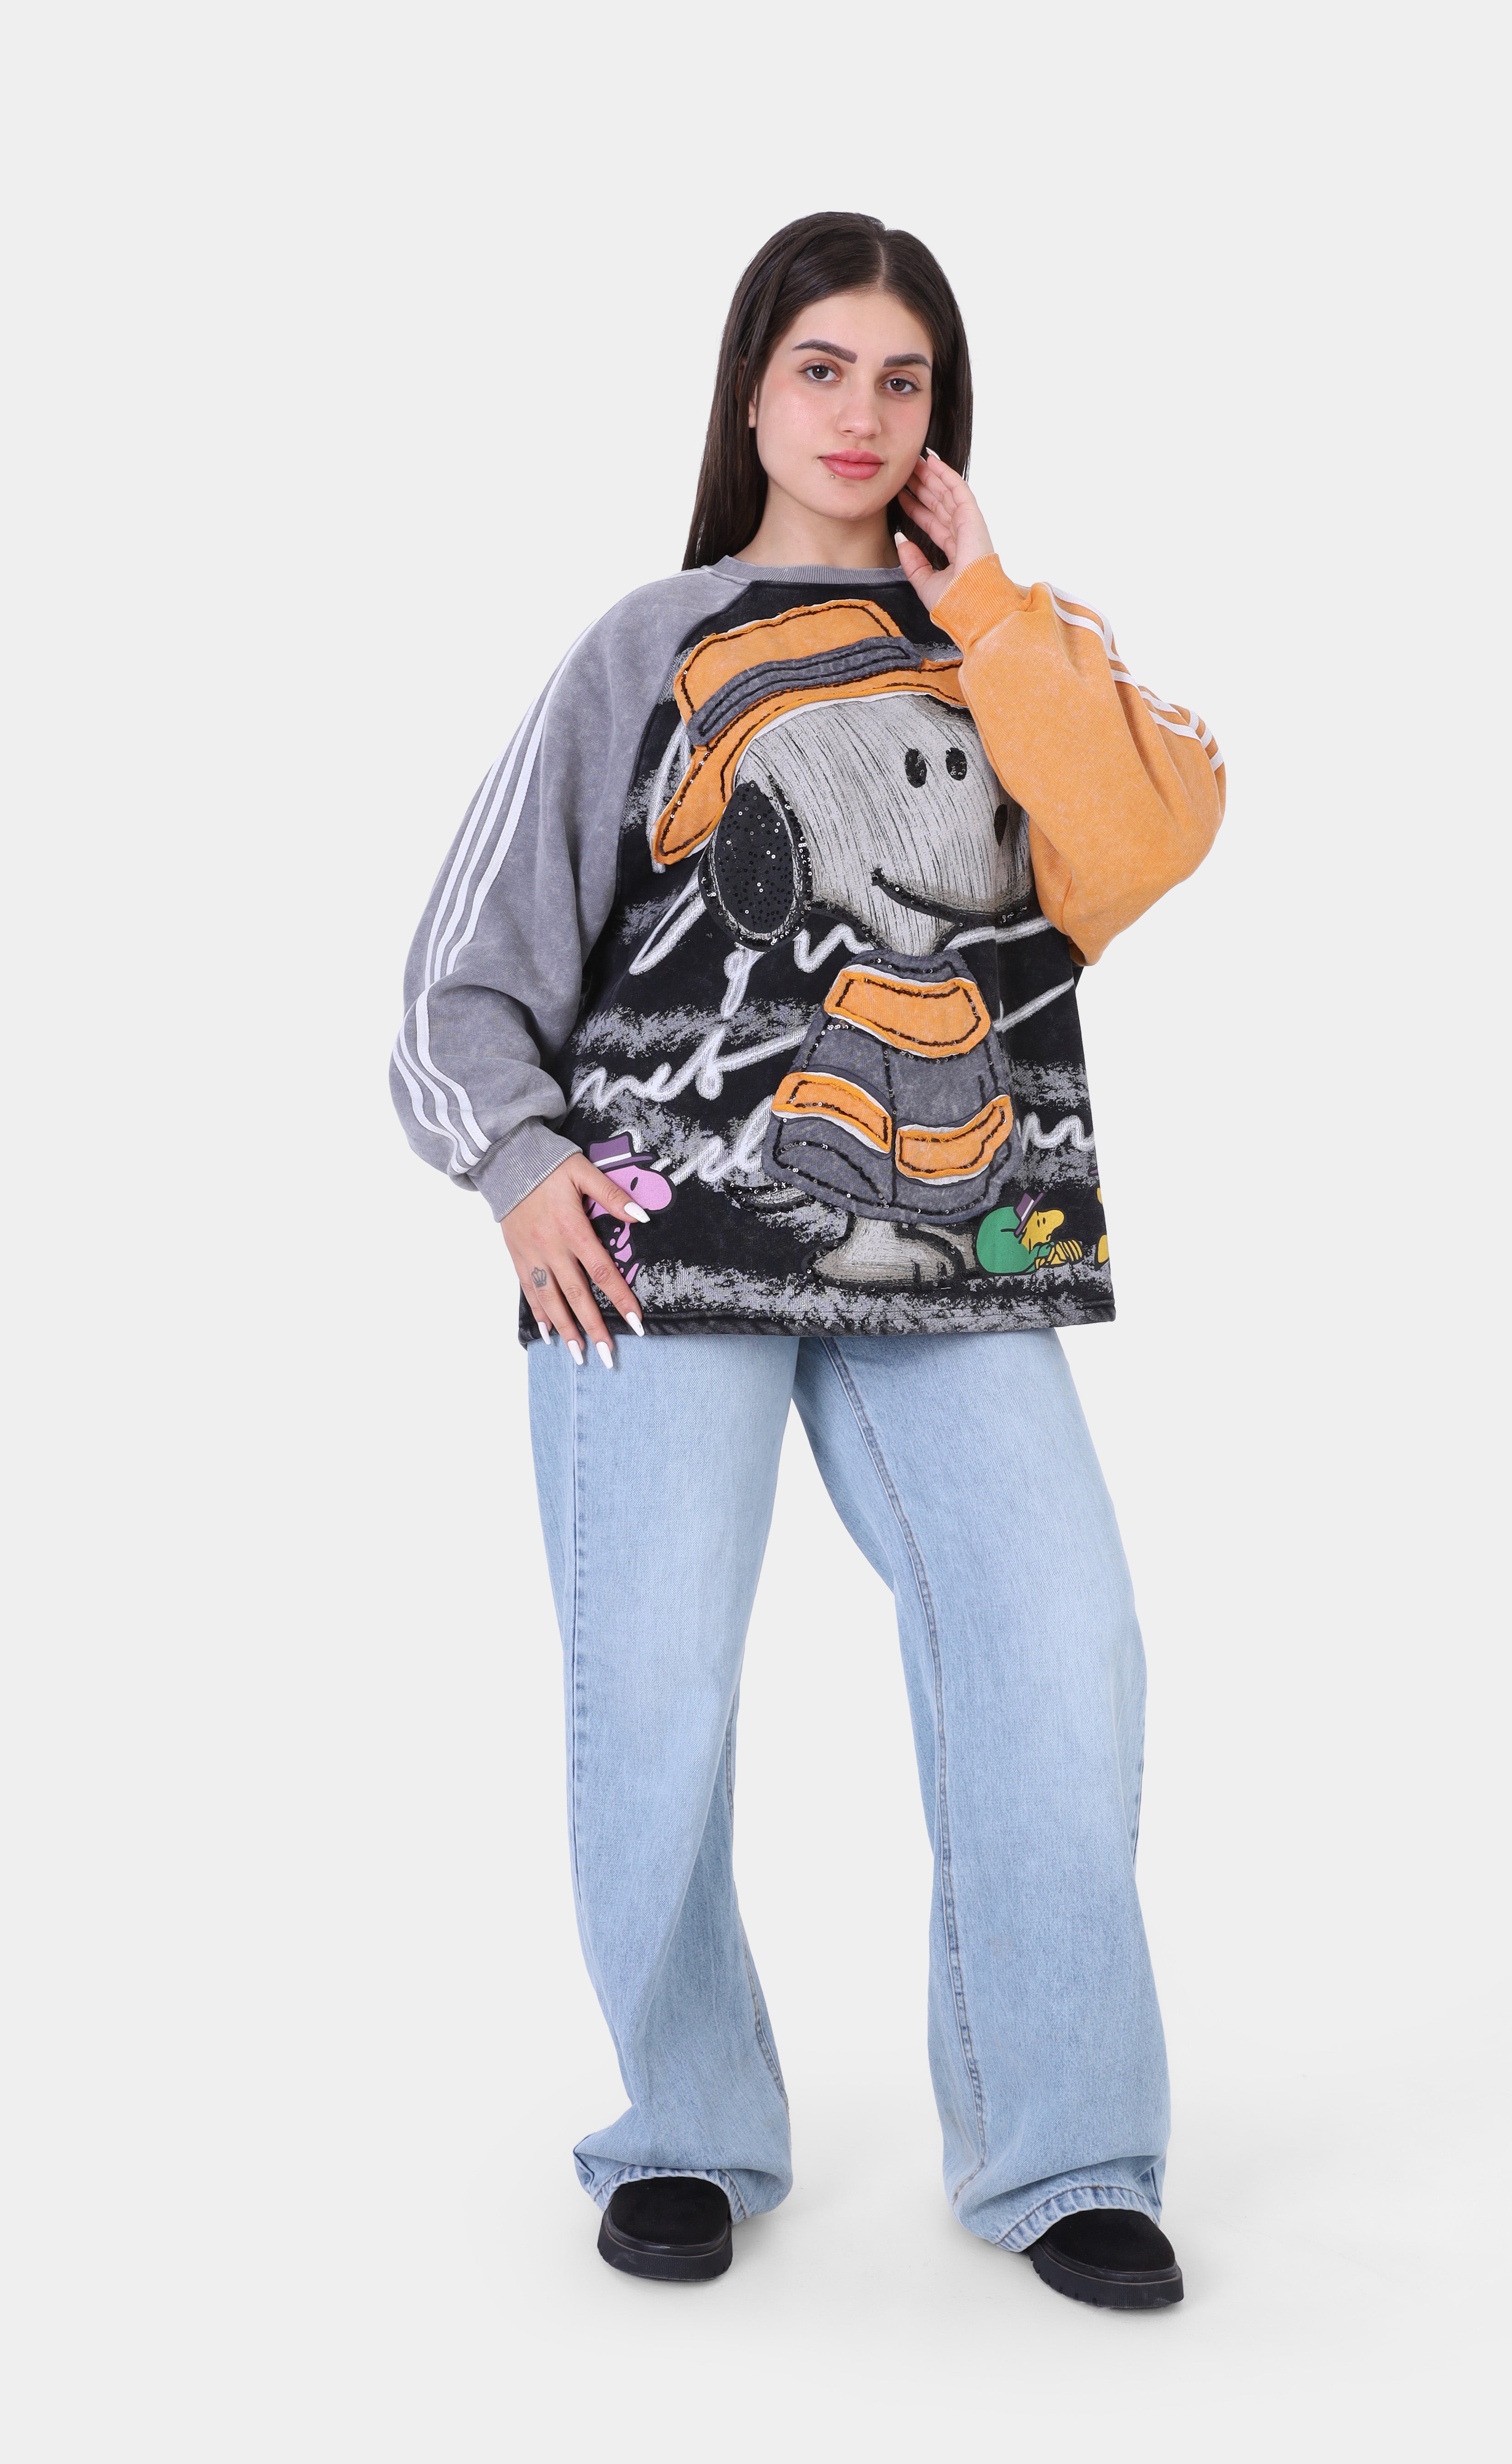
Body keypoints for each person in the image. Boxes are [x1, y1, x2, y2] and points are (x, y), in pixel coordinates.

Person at [391, 210, 1226, 2309]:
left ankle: (1065, 2149)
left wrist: (991, 601)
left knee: (1061, 1648)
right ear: (750, 396)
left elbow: (1148, 838)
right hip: (655, 1244)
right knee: (654, 1694)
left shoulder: (1011, 643)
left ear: (942, 418)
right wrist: (515, 1168)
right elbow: (465, 969)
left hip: (953, 1245)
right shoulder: (648, 642)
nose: (859, 414)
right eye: (822, 369)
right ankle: (683, 2127)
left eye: (901, 378)